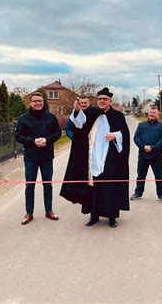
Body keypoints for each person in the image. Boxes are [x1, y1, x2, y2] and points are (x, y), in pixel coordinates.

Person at [60, 87, 130, 228]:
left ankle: (111, 217)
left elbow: (126, 134)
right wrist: (78, 110)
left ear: (110, 101)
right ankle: (94, 215)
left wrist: (115, 135)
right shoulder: (90, 113)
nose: (102, 101)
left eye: (105, 99)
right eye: (100, 99)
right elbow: (78, 124)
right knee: (93, 186)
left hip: (110, 156)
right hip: (93, 156)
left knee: (109, 186)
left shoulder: (118, 116)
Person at [15, 92, 62, 225]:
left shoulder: (50, 117)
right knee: (30, 185)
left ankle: (49, 210)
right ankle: (29, 212)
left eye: (40, 100)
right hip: (31, 157)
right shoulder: (24, 119)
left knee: (48, 184)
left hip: (47, 156)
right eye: (35, 101)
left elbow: (58, 133)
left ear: (43, 102)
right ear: (30, 103)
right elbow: (18, 135)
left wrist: (47, 140)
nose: (38, 103)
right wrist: (32, 141)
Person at [131, 107, 162, 203]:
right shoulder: (141, 125)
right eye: (150, 112)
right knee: (141, 175)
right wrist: (143, 147)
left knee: (159, 176)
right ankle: (138, 193)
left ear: (158, 115)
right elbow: (136, 138)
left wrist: (153, 148)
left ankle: (161, 194)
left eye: (154, 113)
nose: (151, 114)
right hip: (143, 156)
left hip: (156, 156)